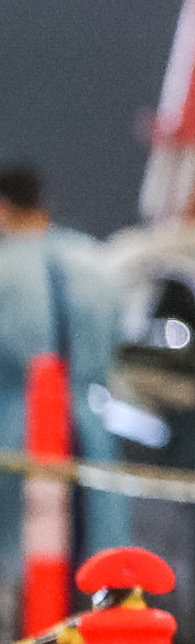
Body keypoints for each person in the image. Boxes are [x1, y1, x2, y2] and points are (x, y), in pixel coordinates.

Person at [0, 165, 115, 557]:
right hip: (88, 429)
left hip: (17, 432)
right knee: (91, 553)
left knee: (21, 558)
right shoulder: (94, 261)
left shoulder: (5, 268)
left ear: (3, 209)